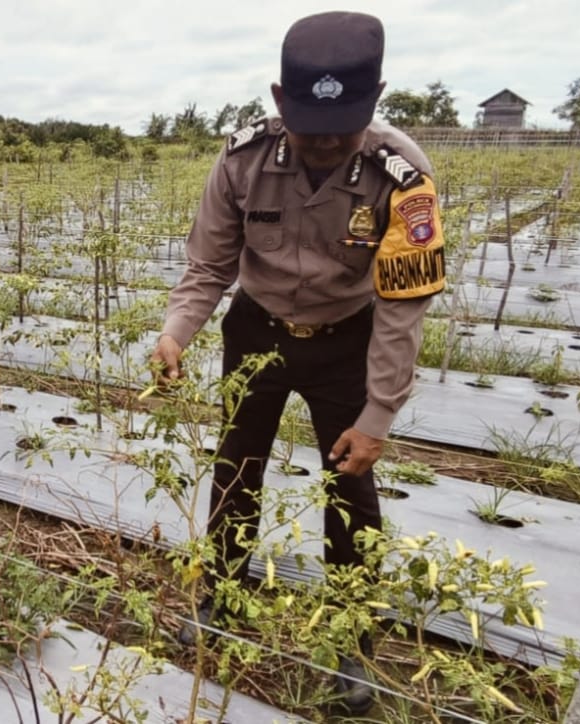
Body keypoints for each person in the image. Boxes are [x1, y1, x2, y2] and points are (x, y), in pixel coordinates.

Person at [150, 11, 445, 714]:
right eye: (310, 128)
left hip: (346, 339)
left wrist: (378, 415)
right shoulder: (239, 160)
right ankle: (218, 599)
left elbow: (403, 306)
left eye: (342, 129)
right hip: (255, 332)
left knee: (349, 486)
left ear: (374, 101)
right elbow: (207, 267)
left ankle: (351, 642)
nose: (324, 146)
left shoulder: (403, 177)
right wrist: (174, 334)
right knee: (235, 468)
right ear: (280, 101)